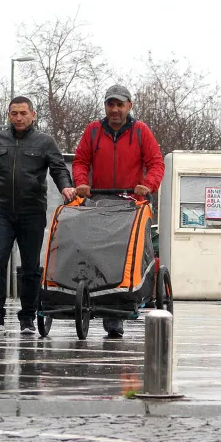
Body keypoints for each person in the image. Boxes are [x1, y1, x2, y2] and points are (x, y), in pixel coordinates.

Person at [72, 84, 165, 338]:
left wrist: (147, 185)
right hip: (99, 202)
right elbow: (81, 160)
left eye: (119, 104)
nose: (114, 109)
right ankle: (91, 298)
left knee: (121, 256)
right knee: (94, 254)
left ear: (129, 106)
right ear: (105, 106)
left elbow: (156, 163)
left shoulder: (140, 132)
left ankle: (115, 313)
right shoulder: (93, 131)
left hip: (129, 203)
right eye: (110, 104)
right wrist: (81, 182)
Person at [0, 96, 77, 334]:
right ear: (9, 116)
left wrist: (65, 186)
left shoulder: (45, 142)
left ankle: (27, 318)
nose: (19, 118)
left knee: (30, 266)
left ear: (33, 115)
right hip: (2, 211)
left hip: (32, 212)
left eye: (23, 113)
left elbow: (58, 168)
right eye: (14, 113)